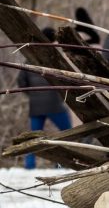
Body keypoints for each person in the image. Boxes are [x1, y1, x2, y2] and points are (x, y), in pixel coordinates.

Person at [17, 26, 73, 170]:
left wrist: (33, 94)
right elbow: (65, 79)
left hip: (35, 105)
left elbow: (21, 82)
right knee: (68, 132)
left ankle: (29, 165)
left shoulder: (29, 58)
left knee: (34, 138)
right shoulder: (53, 56)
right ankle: (60, 163)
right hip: (54, 104)